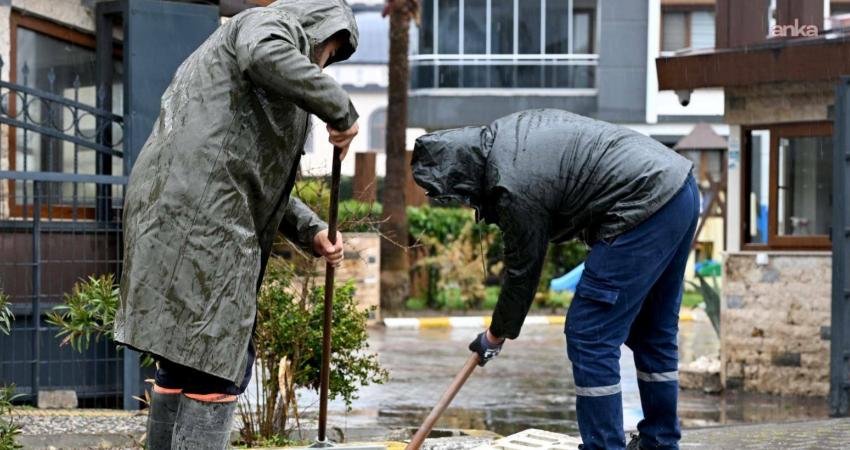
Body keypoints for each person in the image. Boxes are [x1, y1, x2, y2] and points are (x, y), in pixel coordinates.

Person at [113, 1, 360, 448]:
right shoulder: (269, 24)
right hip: (205, 223)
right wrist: (338, 107)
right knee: (217, 365)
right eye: (329, 51)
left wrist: (311, 230)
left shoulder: (265, 85)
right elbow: (264, 54)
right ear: (316, 26)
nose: (323, 64)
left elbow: (251, 176)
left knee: (183, 359)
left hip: (180, 212)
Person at [411, 109, 699, 450]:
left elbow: (524, 270)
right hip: (680, 189)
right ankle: (660, 442)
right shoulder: (506, 135)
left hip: (643, 202)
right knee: (654, 332)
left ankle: (603, 446)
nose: (465, 202)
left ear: (463, 174)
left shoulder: (510, 181)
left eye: (460, 195)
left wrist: (495, 334)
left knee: (589, 332)